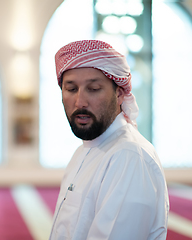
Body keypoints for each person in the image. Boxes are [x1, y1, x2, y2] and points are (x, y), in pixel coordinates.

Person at [49, 40, 169, 240]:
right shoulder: (85, 150)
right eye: (71, 89)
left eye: (94, 89)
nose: (80, 102)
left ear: (120, 93)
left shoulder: (128, 156)